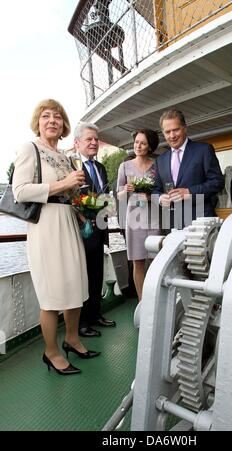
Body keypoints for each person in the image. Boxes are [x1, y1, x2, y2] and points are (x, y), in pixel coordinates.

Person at [12, 99, 100, 376]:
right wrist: (63, 184)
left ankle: (72, 339)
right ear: (38, 122)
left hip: (68, 223)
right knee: (52, 295)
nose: (53, 121)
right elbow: (20, 191)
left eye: (58, 117)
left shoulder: (65, 157)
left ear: (64, 126)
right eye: (46, 116)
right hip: (46, 226)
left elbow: (71, 193)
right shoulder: (30, 149)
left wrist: (83, 204)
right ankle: (51, 353)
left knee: (75, 287)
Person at [74, 122, 116, 337]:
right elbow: (72, 199)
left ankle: (95, 315)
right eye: (88, 139)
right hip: (82, 231)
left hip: (100, 227)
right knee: (83, 277)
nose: (93, 143)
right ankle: (81, 323)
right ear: (77, 143)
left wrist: (109, 207)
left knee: (97, 273)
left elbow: (105, 194)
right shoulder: (72, 167)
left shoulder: (99, 167)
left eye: (95, 139)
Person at [154, 109, 224, 228]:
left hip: (202, 222)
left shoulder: (203, 150)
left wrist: (189, 192)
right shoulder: (160, 159)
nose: (172, 136)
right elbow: (156, 189)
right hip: (173, 224)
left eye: (176, 130)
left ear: (185, 128)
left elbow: (217, 182)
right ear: (163, 133)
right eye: (167, 132)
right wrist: (160, 198)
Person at [117, 129, 160, 301]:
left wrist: (150, 197)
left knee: (156, 261)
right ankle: (143, 303)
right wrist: (124, 191)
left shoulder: (157, 166)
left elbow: (164, 192)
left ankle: (156, 300)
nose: (138, 146)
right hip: (134, 219)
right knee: (138, 261)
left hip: (155, 218)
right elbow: (118, 196)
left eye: (142, 143)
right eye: (136, 142)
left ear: (150, 146)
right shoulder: (125, 166)